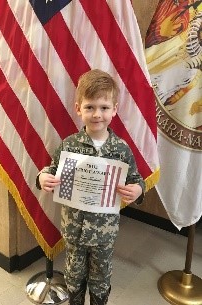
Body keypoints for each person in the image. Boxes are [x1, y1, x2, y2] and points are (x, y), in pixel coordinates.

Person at [36, 69, 145, 305]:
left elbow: (136, 179)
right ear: (78, 109)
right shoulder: (70, 145)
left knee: (100, 278)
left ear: (114, 110)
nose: (97, 114)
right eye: (90, 107)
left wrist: (137, 190)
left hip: (104, 233)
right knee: (74, 278)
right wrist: (42, 177)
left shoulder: (121, 149)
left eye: (104, 108)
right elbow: (51, 170)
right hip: (74, 230)